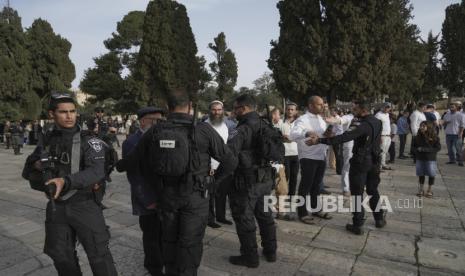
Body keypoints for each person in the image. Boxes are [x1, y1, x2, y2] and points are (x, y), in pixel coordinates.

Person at [117, 88, 237, 276]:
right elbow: (230, 161)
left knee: (169, 241)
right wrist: (213, 182)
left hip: (167, 197)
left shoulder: (155, 131)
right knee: (190, 243)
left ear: (168, 107)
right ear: (190, 107)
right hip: (196, 196)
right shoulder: (203, 130)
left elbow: (129, 163)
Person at [22, 92, 117, 276]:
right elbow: (27, 172)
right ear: (52, 114)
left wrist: (65, 181)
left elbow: (96, 171)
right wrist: (38, 165)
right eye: (63, 112)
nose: (69, 116)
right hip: (57, 206)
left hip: (85, 205)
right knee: (61, 255)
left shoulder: (88, 139)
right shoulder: (47, 140)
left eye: (72, 111)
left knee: (99, 256)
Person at [307, 99, 386, 235]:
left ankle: (357, 224)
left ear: (363, 110)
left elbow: (344, 137)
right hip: (374, 161)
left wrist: (319, 140)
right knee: (373, 190)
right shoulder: (377, 122)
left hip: (361, 162)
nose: (354, 111)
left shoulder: (361, 124)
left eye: (356, 109)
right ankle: (379, 218)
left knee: (357, 194)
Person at [227, 94, 278, 268]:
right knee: (265, 216)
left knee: (244, 218)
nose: (234, 112)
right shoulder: (265, 124)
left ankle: (250, 257)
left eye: (236, 108)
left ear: (244, 108)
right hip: (265, 179)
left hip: (246, 182)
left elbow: (229, 153)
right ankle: (271, 251)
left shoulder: (244, 128)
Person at [122, 106, 165, 276]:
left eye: (161, 120)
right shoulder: (131, 142)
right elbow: (134, 175)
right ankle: (153, 268)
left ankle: (163, 260)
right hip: (148, 199)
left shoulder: (163, 138)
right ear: (142, 121)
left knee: (164, 233)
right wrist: (147, 199)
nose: (158, 123)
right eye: (154, 120)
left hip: (164, 196)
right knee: (151, 236)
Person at [289, 96, 333, 225]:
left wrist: (329, 131)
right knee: (305, 186)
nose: (322, 107)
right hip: (308, 157)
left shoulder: (321, 119)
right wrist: (307, 133)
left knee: (316, 186)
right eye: (320, 104)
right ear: (311, 105)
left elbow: (323, 135)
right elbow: (293, 134)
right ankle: (302, 213)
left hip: (321, 155)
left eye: (323, 104)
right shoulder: (302, 119)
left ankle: (316, 209)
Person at [205, 100, 233, 228]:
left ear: (223, 111)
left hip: (223, 163)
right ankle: (210, 218)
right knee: (210, 193)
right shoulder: (205, 125)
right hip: (209, 165)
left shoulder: (226, 125)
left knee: (223, 191)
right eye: (214, 110)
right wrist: (210, 166)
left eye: (219, 110)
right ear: (210, 111)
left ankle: (221, 216)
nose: (216, 112)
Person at [413, 121, 440, 198]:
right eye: (421, 126)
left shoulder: (435, 137)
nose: (421, 127)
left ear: (428, 127)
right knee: (421, 174)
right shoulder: (417, 137)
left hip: (430, 159)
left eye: (423, 126)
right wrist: (417, 150)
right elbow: (413, 147)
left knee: (431, 174)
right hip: (420, 158)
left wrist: (426, 149)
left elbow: (438, 148)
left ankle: (429, 190)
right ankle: (421, 189)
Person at [282, 102, 299, 197]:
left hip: (296, 153)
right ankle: (282, 194)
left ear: (296, 111)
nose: (290, 111)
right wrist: (282, 137)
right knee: (286, 176)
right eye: (288, 109)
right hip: (285, 153)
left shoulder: (299, 123)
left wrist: (292, 138)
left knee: (294, 176)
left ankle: (291, 195)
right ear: (285, 110)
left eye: (292, 109)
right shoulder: (281, 122)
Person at [443, 101, 464, 166]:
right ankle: (452, 160)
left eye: (453, 107)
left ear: (456, 107)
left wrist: (460, 133)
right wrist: (445, 122)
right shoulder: (447, 114)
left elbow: (462, 125)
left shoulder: (460, 115)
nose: (451, 108)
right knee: (450, 149)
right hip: (448, 134)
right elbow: (443, 123)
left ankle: (460, 161)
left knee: (458, 149)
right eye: (450, 107)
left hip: (456, 134)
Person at [375, 103, 392, 170]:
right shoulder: (378, 115)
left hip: (388, 136)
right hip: (382, 136)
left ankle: (383, 164)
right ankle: (378, 166)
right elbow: (377, 126)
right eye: (386, 107)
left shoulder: (387, 115)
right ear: (382, 107)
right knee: (380, 151)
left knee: (385, 151)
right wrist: (379, 136)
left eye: (388, 108)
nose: (387, 109)